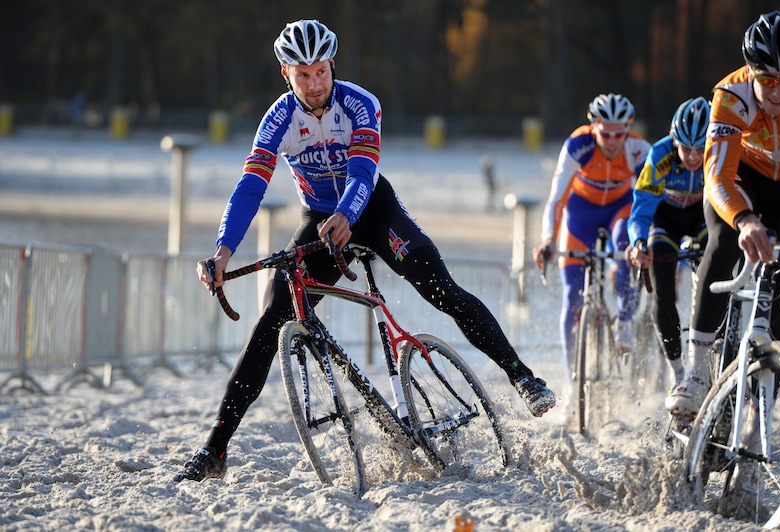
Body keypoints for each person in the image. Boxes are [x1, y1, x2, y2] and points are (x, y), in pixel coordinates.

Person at [175, 19, 556, 483]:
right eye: (303, 76)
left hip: (374, 211)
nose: (315, 85)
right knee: (270, 322)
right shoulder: (278, 119)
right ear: (285, 74)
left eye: (321, 72)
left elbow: (362, 173)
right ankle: (215, 451)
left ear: (332, 64)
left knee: (442, 290)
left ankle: (522, 377)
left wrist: (349, 218)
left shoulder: (360, 103)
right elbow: (250, 187)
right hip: (318, 223)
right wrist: (222, 252)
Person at [665, 11, 780, 418]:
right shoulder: (731, 95)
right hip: (743, 181)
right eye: (768, 81)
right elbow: (718, 174)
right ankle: (697, 372)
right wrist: (743, 218)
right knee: (722, 242)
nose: (778, 93)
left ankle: (759, 422)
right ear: (751, 72)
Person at [532, 93, 651, 402]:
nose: (612, 141)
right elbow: (556, 199)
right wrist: (548, 239)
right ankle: (573, 383)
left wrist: (647, 242)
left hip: (620, 210)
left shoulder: (639, 149)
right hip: (580, 213)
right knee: (572, 296)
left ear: (628, 129)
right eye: (605, 133)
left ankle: (624, 320)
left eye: (619, 133)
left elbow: (648, 201)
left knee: (625, 244)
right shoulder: (578, 145)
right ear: (593, 125)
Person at [627, 97, 710, 387]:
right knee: (662, 290)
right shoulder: (661, 154)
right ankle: (677, 373)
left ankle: (713, 354)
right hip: (667, 219)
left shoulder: (718, 152)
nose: (693, 157)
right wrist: (638, 242)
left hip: (702, 216)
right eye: (686, 149)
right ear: (675, 141)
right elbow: (641, 208)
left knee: (716, 275)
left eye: (701, 149)